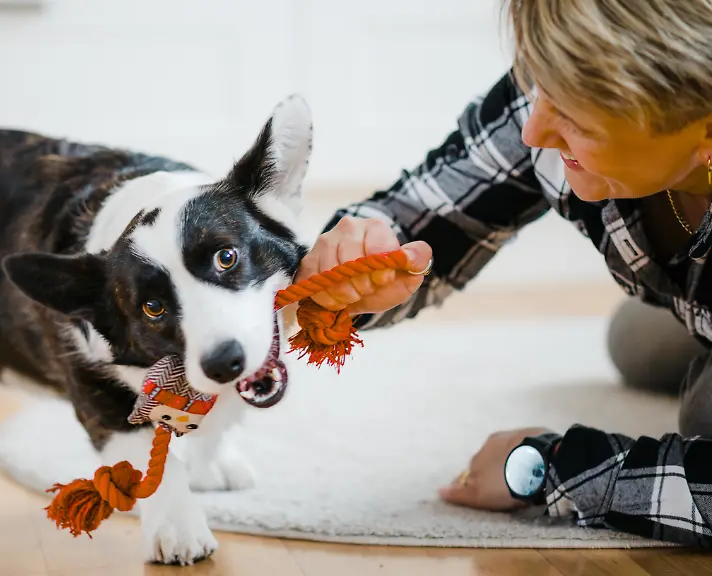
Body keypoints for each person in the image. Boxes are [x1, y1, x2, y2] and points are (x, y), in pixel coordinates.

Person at [297, 0, 712, 547]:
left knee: (700, 415)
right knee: (634, 342)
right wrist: (359, 259)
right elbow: (421, 211)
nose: (535, 129)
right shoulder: (552, 93)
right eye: (538, 83)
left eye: (577, 116)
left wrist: (549, 468)